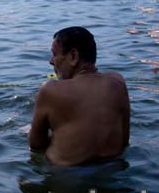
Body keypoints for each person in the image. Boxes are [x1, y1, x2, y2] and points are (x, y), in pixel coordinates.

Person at [29, 27, 130, 165]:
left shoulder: (50, 90)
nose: (51, 61)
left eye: (54, 54)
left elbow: (36, 145)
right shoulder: (117, 83)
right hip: (112, 168)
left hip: (68, 175)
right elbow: (124, 141)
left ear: (73, 56)